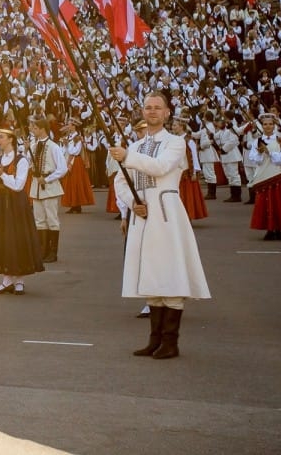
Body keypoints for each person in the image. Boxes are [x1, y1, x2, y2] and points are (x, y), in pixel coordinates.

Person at [110, 92, 210, 360]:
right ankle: (154, 340)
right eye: (148, 107)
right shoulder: (136, 146)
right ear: (142, 112)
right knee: (151, 274)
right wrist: (133, 202)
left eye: (158, 108)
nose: (152, 111)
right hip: (143, 214)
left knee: (171, 271)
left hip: (166, 212)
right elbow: (121, 181)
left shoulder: (176, 143)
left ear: (167, 113)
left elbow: (161, 167)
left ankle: (170, 341)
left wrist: (127, 156)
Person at [0, 128, 44, 296]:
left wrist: (2, 175)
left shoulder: (21, 160)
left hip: (16, 204)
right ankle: (7, 279)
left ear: (10, 139)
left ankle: (19, 280)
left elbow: (18, 185)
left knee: (16, 238)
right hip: (1, 202)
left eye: (1, 137)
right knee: (2, 238)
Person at [246, 114, 281, 241]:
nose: (268, 127)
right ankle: (269, 229)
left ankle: (279, 228)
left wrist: (269, 152)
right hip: (263, 175)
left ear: (274, 125)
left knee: (279, 204)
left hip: (277, 175)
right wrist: (260, 153)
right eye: (265, 124)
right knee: (265, 204)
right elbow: (254, 159)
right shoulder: (257, 141)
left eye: (270, 124)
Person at [27, 117, 68, 263]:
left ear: (42, 129)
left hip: (49, 186)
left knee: (52, 220)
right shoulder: (32, 146)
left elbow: (63, 168)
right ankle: (42, 251)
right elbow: (28, 164)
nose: (33, 130)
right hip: (36, 186)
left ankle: (52, 252)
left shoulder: (54, 147)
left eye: (35, 127)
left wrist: (47, 179)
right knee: (39, 220)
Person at [172, 117, 208, 221]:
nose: (173, 127)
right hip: (177, 171)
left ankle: (188, 215)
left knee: (187, 195)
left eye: (175, 125)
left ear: (181, 126)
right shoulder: (175, 139)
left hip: (187, 171)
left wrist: (194, 172)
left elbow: (194, 156)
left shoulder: (189, 140)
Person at [60, 120, 95, 214]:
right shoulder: (69, 137)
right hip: (69, 160)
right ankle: (73, 204)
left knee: (76, 182)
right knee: (70, 183)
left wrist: (67, 146)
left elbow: (75, 151)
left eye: (70, 125)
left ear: (74, 126)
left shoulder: (78, 138)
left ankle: (77, 205)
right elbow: (64, 150)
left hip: (76, 161)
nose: (68, 126)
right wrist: (64, 147)